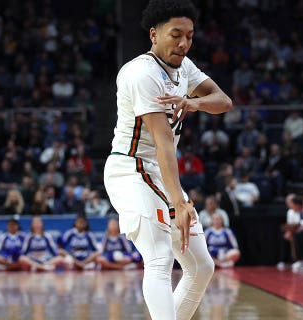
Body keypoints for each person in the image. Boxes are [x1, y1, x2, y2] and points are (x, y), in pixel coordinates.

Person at [103, 0, 232, 318]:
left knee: (201, 266)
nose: (184, 43)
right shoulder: (141, 73)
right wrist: (178, 203)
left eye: (189, 36)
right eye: (176, 35)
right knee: (159, 257)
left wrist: (192, 103)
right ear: (154, 34)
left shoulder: (184, 68)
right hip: (131, 169)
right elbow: (162, 142)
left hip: (158, 172)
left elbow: (223, 100)